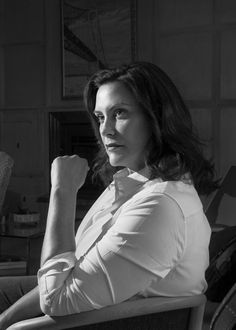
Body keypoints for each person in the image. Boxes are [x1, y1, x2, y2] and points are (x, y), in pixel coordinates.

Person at [0, 61, 217, 328]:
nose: (105, 129)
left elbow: (56, 300)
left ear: (156, 118)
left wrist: (62, 192)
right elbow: (70, 271)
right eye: (101, 117)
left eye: (120, 113)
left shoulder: (160, 207)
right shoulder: (130, 182)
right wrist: (6, 318)